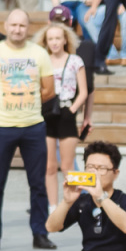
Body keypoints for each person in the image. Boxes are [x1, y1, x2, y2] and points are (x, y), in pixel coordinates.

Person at [0, 8, 55, 251]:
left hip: (33, 126)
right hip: (2, 127)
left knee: (38, 184)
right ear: (6, 26)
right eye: (13, 25)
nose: (17, 30)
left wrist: (29, 104)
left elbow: (49, 90)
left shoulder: (39, 53)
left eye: (22, 25)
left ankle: (40, 234)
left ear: (28, 28)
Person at [38, 20, 90, 174]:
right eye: (50, 39)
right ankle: (51, 193)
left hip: (66, 111)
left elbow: (84, 92)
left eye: (58, 38)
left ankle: (74, 191)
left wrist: (72, 109)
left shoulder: (75, 61)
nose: (54, 42)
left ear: (65, 40)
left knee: (68, 166)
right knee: (49, 166)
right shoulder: (42, 61)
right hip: (47, 112)